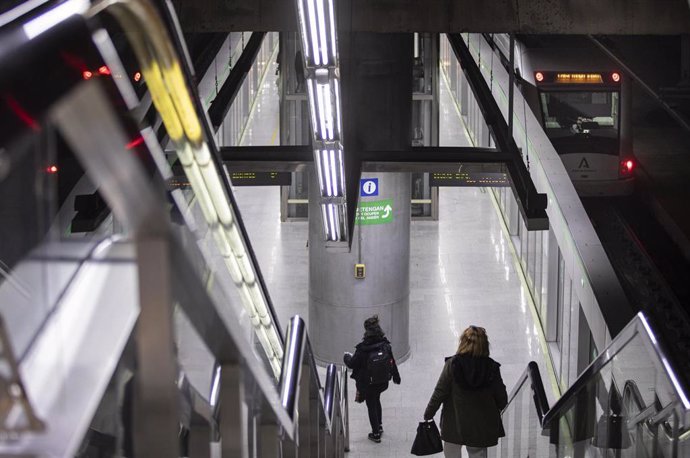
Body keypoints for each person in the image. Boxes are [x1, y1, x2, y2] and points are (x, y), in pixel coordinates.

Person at [423, 326, 508, 458]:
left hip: (454, 423)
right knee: (477, 453)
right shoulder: (491, 367)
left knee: (451, 451)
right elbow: (502, 398)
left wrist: (429, 413)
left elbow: (440, 391)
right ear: (484, 345)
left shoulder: (452, 365)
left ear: (463, 343)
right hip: (480, 427)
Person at [343, 315, 401, 443]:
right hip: (382, 381)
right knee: (377, 399)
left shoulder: (363, 349)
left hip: (368, 383)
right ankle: (379, 426)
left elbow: (352, 364)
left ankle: (375, 434)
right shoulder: (385, 345)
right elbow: (392, 361)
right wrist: (396, 377)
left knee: (371, 405)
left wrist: (346, 357)